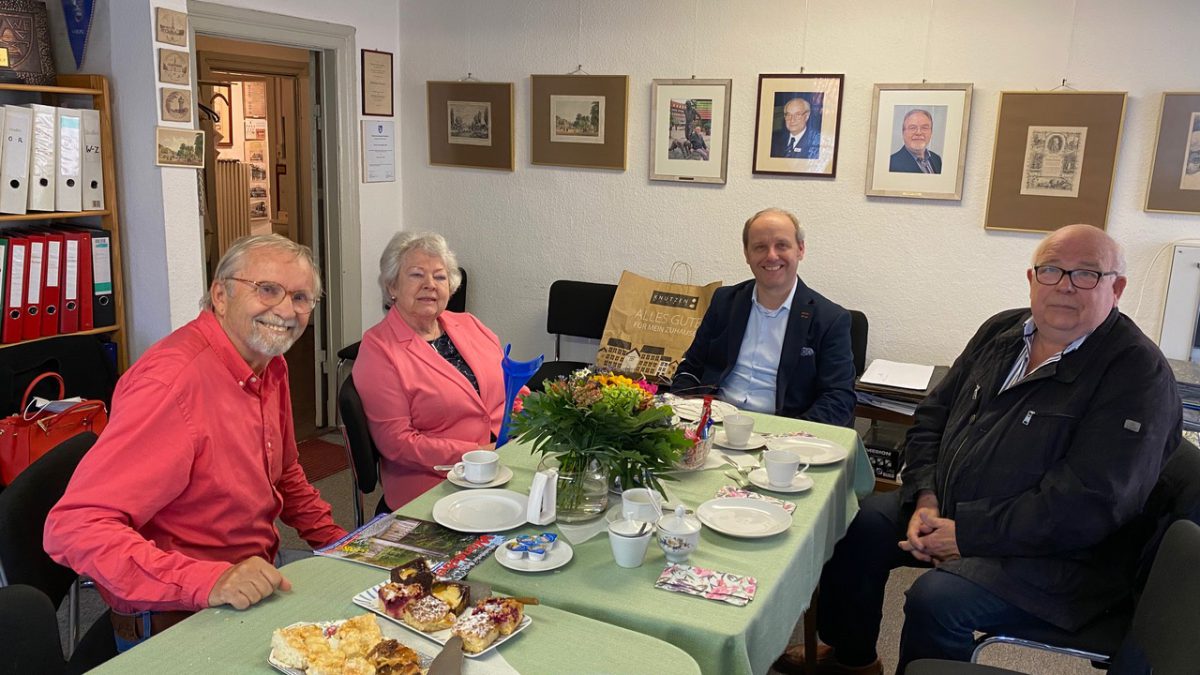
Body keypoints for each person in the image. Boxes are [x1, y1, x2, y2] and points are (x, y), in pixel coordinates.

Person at [774, 224, 1183, 675]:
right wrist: (926, 497)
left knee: (938, 600)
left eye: (1086, 274)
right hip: (953, 505)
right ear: (1032, 278)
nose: (1065, 286)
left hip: (1064, 556)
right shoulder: (1002, 331)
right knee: (856, 523)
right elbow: (933, 415)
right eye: (1051, 271)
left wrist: (966, 534)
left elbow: (1088, 505)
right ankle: (853, 661)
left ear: (1117, 287)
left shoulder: (1137, 375)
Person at [44, 234, 348, 651]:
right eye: (267, 289)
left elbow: (286, 473)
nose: (285, 310)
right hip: (178, 615)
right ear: (220, 295)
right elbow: (74, 528)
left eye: (300, 298)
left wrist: (340, 546)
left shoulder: (268, 362)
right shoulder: (171, 385)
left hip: (253, 578)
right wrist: (212, 581)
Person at [353, 232, 509, 512]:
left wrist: (527, 422)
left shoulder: (470, 324)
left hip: (501, 465)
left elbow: (510, 387)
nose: (429, 285)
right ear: (392, 286)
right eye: (416, 275)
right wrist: (475, 453)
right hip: (435, 487)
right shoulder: (379, 349)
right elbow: (397, 443)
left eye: (439, 277)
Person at [672, 208, 856, 427]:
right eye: (760, 247)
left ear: (800, 249)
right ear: (747, 254)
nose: (771, 256)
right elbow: (691, 368)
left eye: (782, 245)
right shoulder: (724, 301)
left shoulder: (830, 319)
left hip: (784, 432)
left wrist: (791, 437)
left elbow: (838, 398)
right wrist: (685, 415)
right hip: (714, 425)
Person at [889, 108, 942, 174]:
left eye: (924, 128)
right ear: (903, 133)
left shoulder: (937, 159)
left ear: (931, 132)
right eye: (912, 128)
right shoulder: (891, 163)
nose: (919, 133)